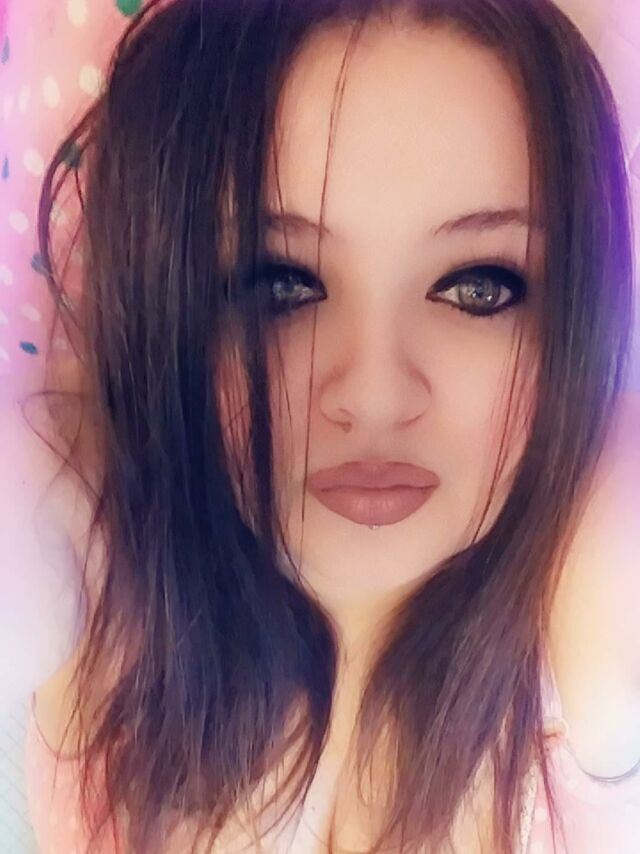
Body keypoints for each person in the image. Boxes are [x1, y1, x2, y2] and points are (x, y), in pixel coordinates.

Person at [1, 0, 640, 851]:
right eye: (279, 285)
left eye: (479, 288)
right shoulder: (103, 570)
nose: (374, 395)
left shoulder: (592, 636)